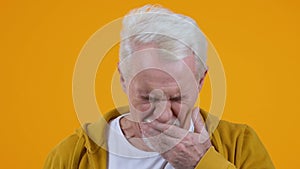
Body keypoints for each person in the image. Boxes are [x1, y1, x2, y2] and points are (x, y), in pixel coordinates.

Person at [44, 5, 275, 169]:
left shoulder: (239, 144)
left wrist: (203, 163)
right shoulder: (72, 156)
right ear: (123, 79)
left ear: (201, 81)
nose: (163, 115)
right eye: (147, 97)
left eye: (176, 98)